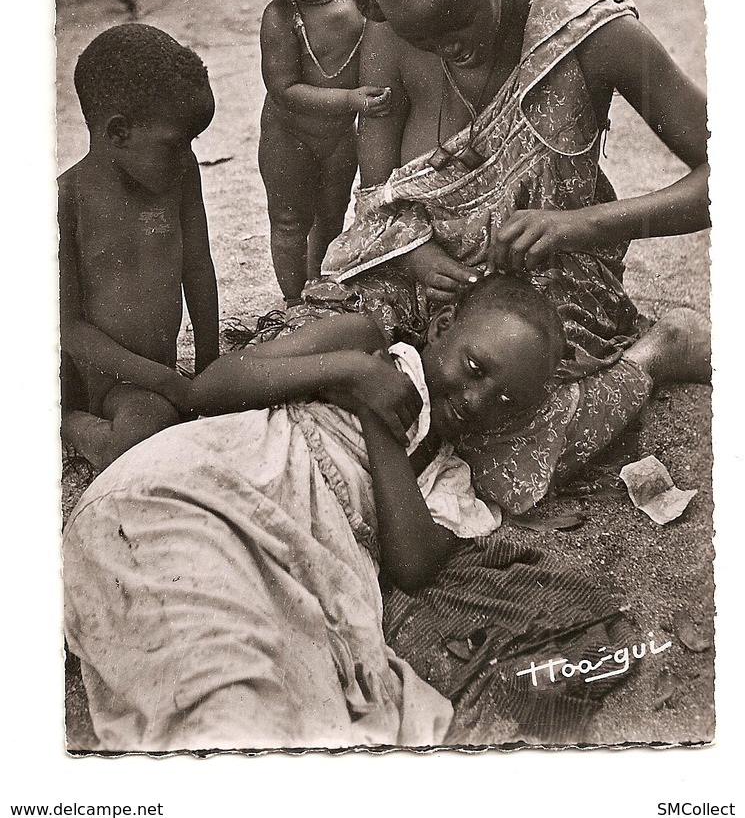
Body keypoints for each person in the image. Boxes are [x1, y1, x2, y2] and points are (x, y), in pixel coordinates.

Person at [294, 0, 711, 514]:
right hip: (417, 279)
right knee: (295, 363)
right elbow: (373, 197)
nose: (450, 51)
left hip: (545, 303)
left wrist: (578, 224)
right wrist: (411, 250)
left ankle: (658, 351)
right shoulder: (389, 33)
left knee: (500, 453)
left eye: (459, 27)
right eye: (426, 41)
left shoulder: (589, 34)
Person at [63, 274, 564, 751]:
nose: (478, 400)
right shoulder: (363, 340)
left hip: (288, 563)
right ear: (441, 326)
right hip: (202, 491)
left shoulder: (447, 477)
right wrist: (350, 370)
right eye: (475, 368)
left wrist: (374, 418)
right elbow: (207, 391)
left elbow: (411, 562)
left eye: (505, 401)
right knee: (215, 675)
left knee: (274, 693)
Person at [59, 23, 219, 472]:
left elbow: (198, 269)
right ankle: (68, 424)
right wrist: (170, 383)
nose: (186, 155)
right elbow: (70, 329)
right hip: (103, 382)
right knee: (148, 430)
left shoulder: (179, 176)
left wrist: (208, 366)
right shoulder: (67, 201)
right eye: (174, 144)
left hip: (158, 376)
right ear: (117, 132)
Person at [252, 0, 392, 306]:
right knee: (291, 221)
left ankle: (318, 284)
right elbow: (284, 90)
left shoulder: (358, 0)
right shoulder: (281, 18)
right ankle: (294, 302)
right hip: (288, 137)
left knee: (330, 218)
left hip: (338, 140)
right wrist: (350, 100)